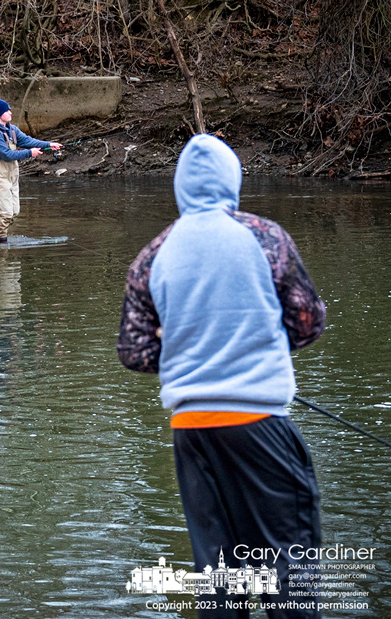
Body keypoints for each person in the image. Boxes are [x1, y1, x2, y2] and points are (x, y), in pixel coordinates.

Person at [118, 134, 326, 618]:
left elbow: (134, 351)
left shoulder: (153, 254)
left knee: (220, 575)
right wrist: (260, 339)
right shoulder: (264, 236)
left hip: (192, 434)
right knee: (288, 569)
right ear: (233, 179)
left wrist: (191, 346)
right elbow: (308, 321)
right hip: (260, 427)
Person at [0, 97, 61, 243]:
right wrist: (29, 153)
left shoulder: (12, 129)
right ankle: (0, 247)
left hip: (11, 176)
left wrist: (48, 145)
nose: (10, 112)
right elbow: (6, 154)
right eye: (7, 110)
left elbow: (28, 141)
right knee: (5, 213)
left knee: (13, 212)